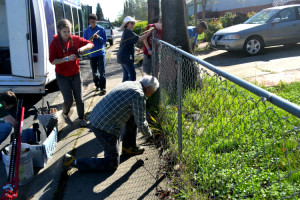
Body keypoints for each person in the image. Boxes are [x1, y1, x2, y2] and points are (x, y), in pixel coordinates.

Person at [63, 75, 159, 172]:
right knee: (111, 164)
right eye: (152, 92)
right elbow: (142, 123)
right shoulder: (139, 95)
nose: (151, 95)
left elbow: (138, 117)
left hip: (98, 117)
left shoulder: (131, 84)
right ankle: (73, 162)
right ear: (149, 88)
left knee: (135, 114)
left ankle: (129, 147)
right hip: (104, 128)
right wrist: (150, 136)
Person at [49, 19, 94, 127]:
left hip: (75, 73)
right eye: (64, 31)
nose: (67, 34)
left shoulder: (75, 39)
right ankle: (65, 114)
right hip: (62, 75)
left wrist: (83, 47)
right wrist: (67, 59)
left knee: (80, 98)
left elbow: (90, 44)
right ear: (59, 31)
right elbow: (52, 61)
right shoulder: (54, 43)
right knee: (68, 99)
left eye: (69, 31)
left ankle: (81, 118)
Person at [117, 16, 154, 82]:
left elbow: (126, 44)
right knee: (132, 74)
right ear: (127, 24)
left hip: (122, 56)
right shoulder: (128, 32)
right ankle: (131, 90)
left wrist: (135, 48)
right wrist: (149, 32)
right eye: (132, 23)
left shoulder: (126, 32)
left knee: (126, 75)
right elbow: (140, 39)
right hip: (126, 57)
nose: (133, 25)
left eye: (134, 23)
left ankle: (124, 90)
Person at [84, 14, 107, 95]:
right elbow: (85, 42)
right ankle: (97, 85)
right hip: (92, 55)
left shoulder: (101, 29)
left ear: (96, 21)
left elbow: (105, 41)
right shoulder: (86, 31)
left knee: (102, 72)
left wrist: (98, 38)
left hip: (100, 54)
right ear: (89, 22)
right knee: (94, 73)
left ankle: (103, 87)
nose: (93, 24)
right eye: (91, 22)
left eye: (94, 22)